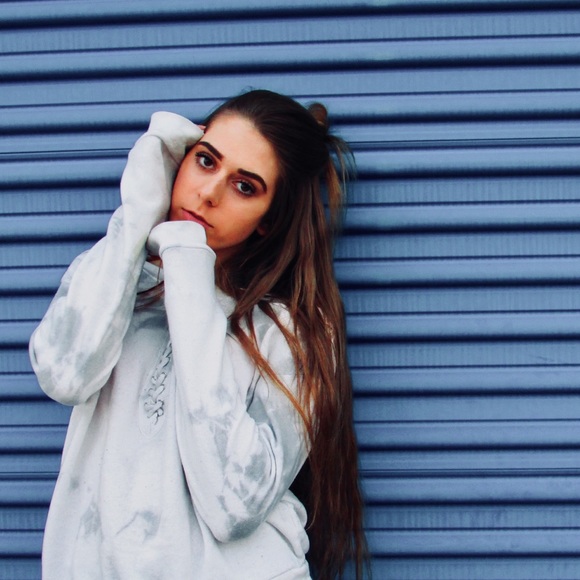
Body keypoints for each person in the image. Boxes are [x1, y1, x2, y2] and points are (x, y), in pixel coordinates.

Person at [29, 89, 368, 579]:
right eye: (205, 160)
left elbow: (235, 507)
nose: (209, 192)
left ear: (268, 221)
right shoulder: (111, 279)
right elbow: (64, 376)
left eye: (244, 186)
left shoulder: (291, 330)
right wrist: (138, 214)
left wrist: (187, 260)